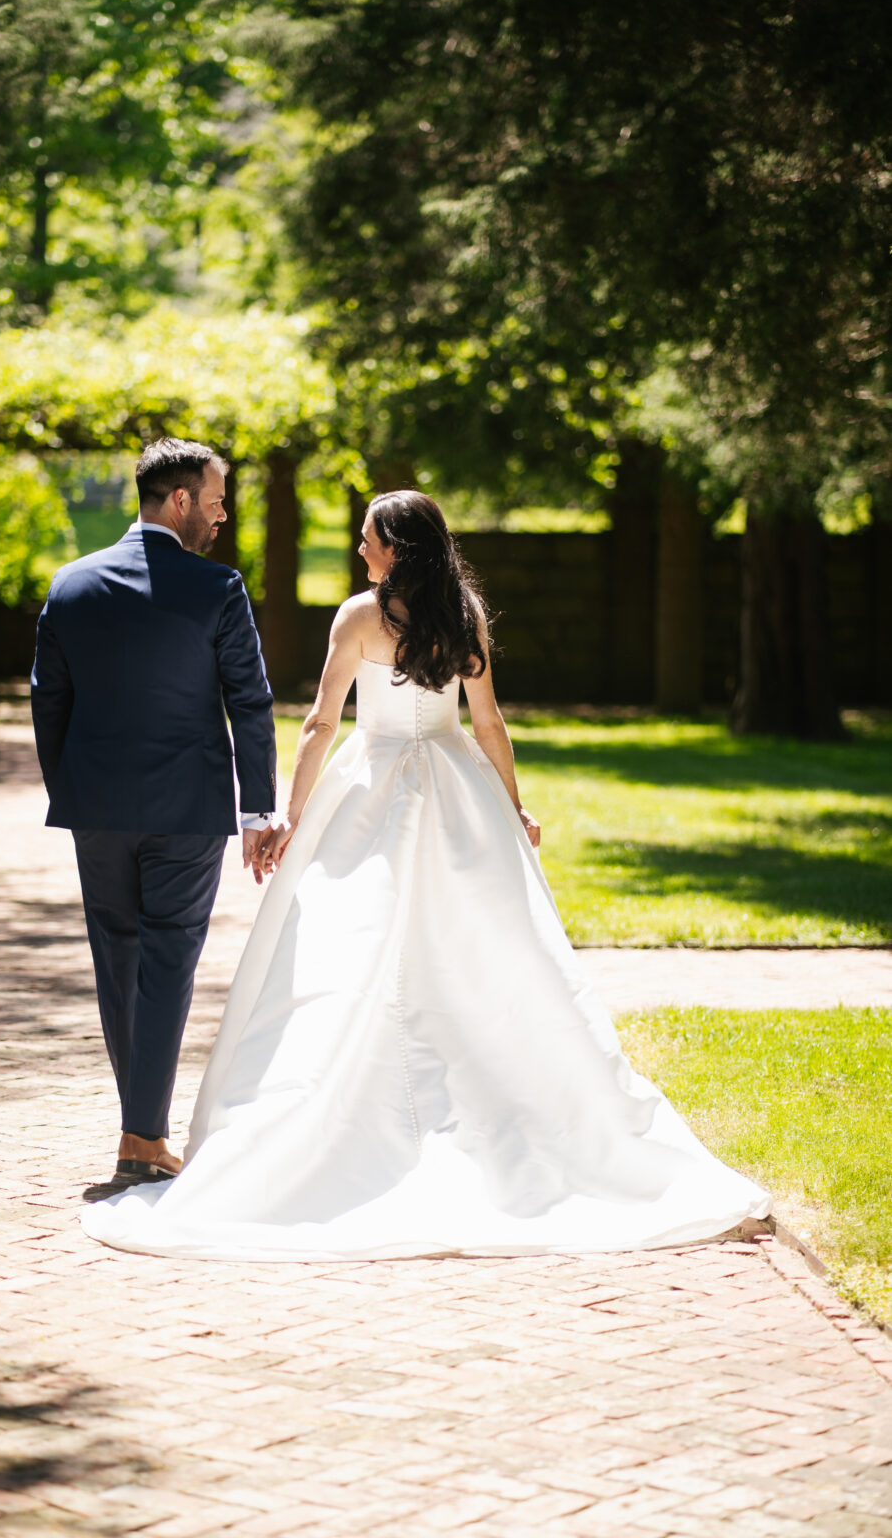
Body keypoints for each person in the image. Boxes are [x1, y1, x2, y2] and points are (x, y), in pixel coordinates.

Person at [82, 490, 770, 1258]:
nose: (359, 552)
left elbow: (319, 723)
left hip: (368, 785)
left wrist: (292, 816)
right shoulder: (464, 614)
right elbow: (487, 723)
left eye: (369, 541)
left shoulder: (358, 617)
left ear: (397, 549)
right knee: (472, 953)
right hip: (457, 788)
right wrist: (511, 809)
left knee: (350, 953)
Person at [31, 438, 276, 1185]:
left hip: (98, 807)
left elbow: (49, 700)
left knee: (118, 960)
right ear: (179, 501)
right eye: (214, 499)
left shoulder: (70, 586)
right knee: (168, 960)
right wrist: (257, 812)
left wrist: (68, 790)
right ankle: (142, 1137)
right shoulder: (218, 589)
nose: (222, 514)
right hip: (187, 806)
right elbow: (250, 703)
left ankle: (141, 1130)